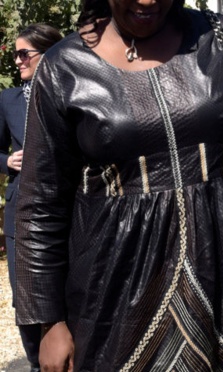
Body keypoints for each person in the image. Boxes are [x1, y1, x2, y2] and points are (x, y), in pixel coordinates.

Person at [14, 1, 223, 371]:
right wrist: (48, 322)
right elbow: (40, 203)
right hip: (118, 284)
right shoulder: (62, 66)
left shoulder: (217, 38)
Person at [0, 23, 62, 372]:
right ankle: (38, 365)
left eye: (24, 54)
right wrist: (6, 161)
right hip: (20, 211)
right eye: (15, 54)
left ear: (48, 53)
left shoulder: (69, 92)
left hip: (69, 209)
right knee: (26, 297)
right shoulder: (7, 99)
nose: (17, 61)